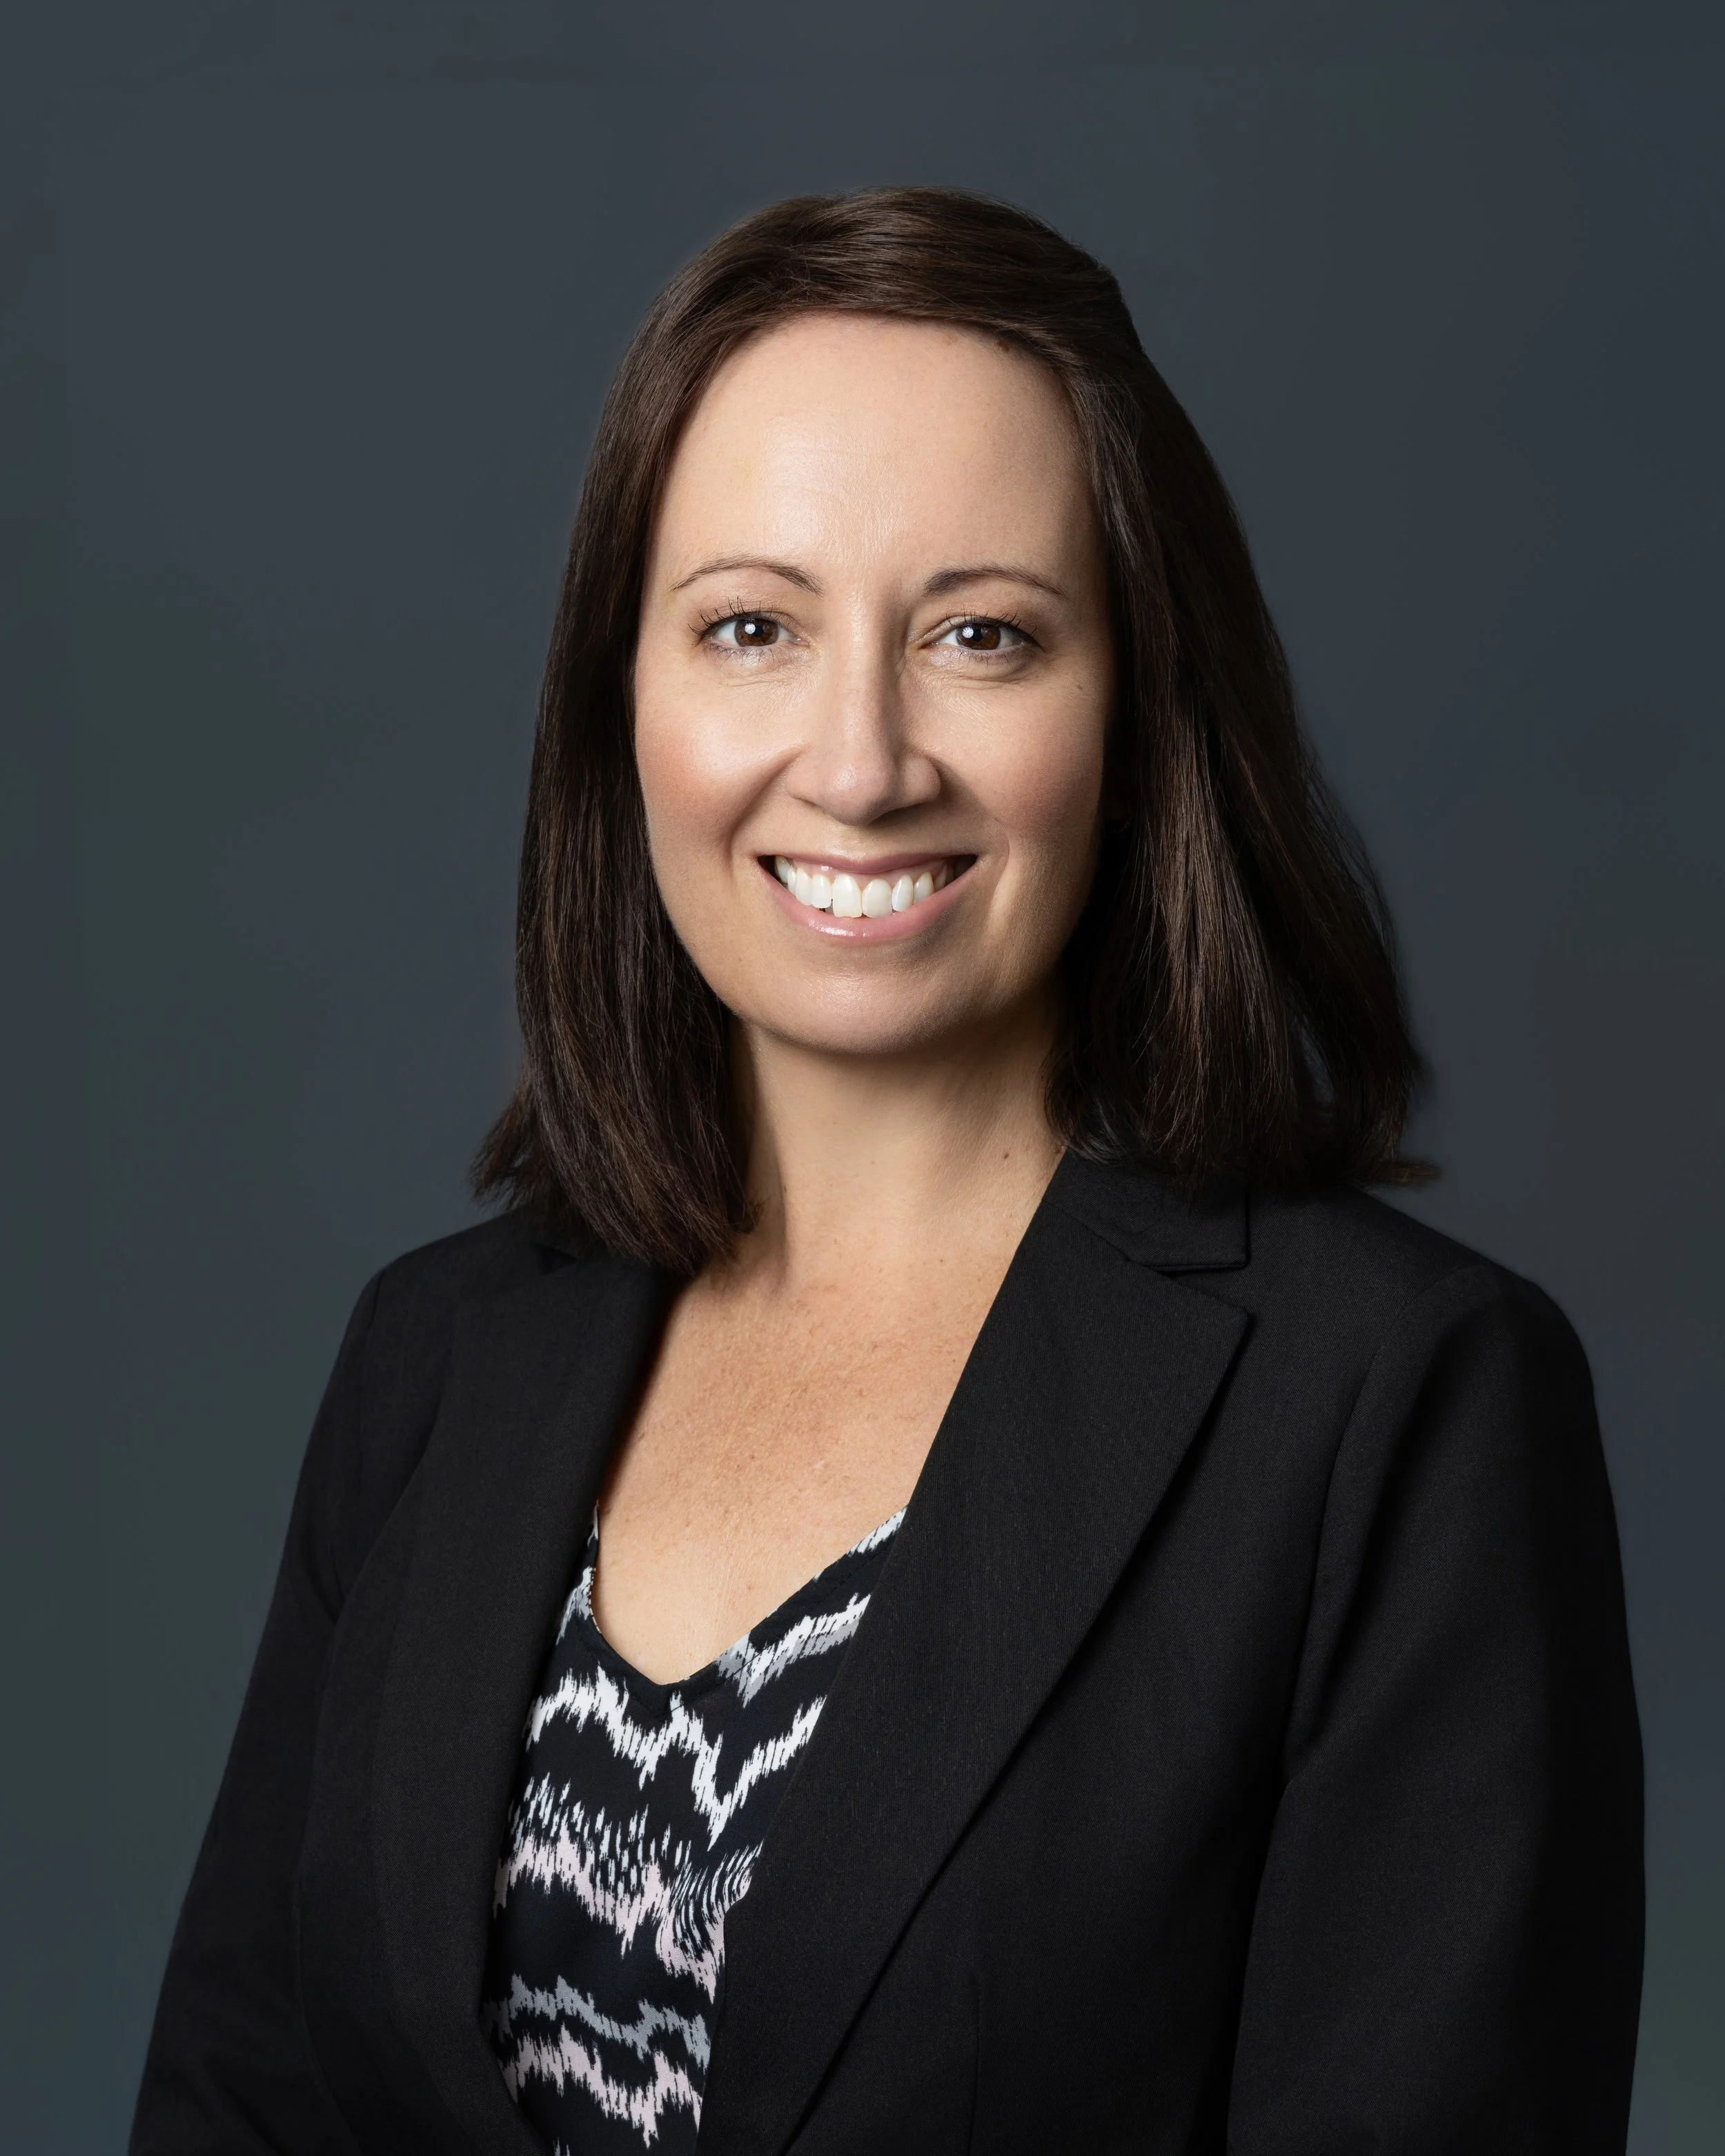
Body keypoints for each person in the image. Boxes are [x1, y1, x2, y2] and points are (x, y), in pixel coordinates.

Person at [130, 188, 1642, 2156]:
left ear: (1134, 713)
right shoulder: (428, 1359)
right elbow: (235, 2106)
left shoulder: (1398, 1406)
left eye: (981, 636)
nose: (857, 759)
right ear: (625, 701)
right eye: (749, 627)